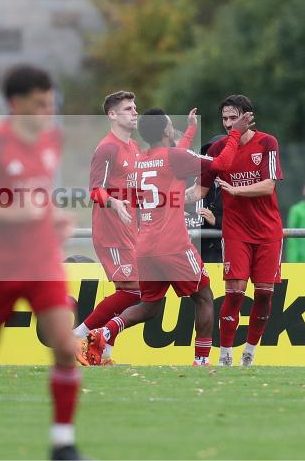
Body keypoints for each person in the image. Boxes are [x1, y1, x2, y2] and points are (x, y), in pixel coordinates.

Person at [0, 65, 94, 461]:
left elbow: (38, 198)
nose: (49, 109)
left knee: (65, 346)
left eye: (51, 102)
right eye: (40, 103)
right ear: (16, 104)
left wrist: (56, 216)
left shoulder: (51, 140)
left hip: (43, 260)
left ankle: (62, 443)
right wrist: (13, 213)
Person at [84, 108, 250, 366]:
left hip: (145, 246)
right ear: (165, 131)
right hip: (174, 246)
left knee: (149, 306)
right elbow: (221, 164)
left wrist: (191, 130)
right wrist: (236, 131)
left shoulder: (141, 160)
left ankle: (104, 332)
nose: (173, 128)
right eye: (171, 125)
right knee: (204, 297)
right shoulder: (174, 157)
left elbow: (172, 159)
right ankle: (201, 362)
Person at [190, 94, 284, 367]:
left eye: (234, 118)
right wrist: (167, 197)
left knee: (265, 293)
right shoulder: (219, 148)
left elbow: (269, 185)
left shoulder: (267, 142)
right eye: (225, 119)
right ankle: (226, 355)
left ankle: (250, 352)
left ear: (248, 117)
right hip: (235, 231)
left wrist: (236, 190)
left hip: (268, 230)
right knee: (235, 292)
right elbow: (200, 190)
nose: (229, 124)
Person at [73, 90, 141, 366]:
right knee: (134, 292)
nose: (134, 112)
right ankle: (79, 335)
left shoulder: (134, 147)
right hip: (111, 231)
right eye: (127, 109)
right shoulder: (107, 148)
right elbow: (94, 191)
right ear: (112, 115)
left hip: (131, 231)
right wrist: (114, 203)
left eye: (135, 108)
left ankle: (103, 352)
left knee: (135, 293)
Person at [195, 134, 227, 263]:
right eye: (210, 154)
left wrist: (216, 220)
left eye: (218, 153)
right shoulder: (198, 182)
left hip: (227, 254)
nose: (213, 158)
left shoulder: (241, 182)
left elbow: (247, 221)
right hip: (201, 254)